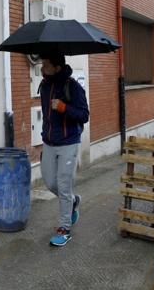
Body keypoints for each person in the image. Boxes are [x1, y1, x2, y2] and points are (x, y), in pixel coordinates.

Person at [39, 54, 90, 246]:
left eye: (46, 63)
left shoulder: (72, 87)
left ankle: (64, 228)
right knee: (51, 182)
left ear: (57, 67)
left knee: (63, 184)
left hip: (68, 142)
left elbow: (84, 115)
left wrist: (63, 108)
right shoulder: (44, 86)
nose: (43, 67)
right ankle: (73, 201)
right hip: (49, 142)